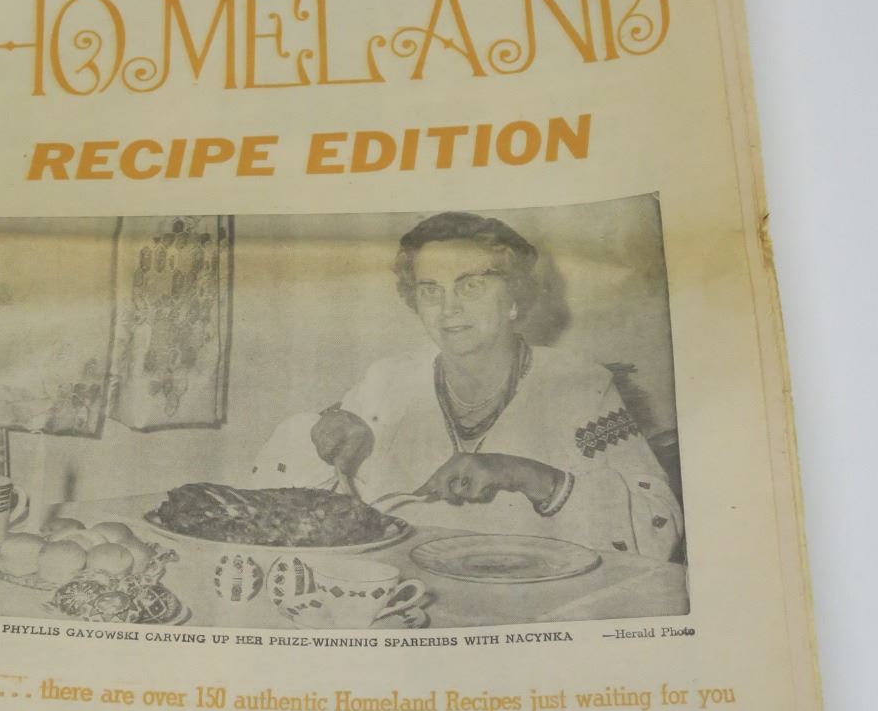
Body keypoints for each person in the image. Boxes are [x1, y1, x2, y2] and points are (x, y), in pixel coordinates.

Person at [250, 212, 683, 560]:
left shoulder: (578, 386)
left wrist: (523, 474)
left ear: (514, 297)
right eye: (430, 290)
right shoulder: (388, 380)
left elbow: (658, 529)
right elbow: (280, 505)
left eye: (471, 286)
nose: (449, 308)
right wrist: (322, 438)